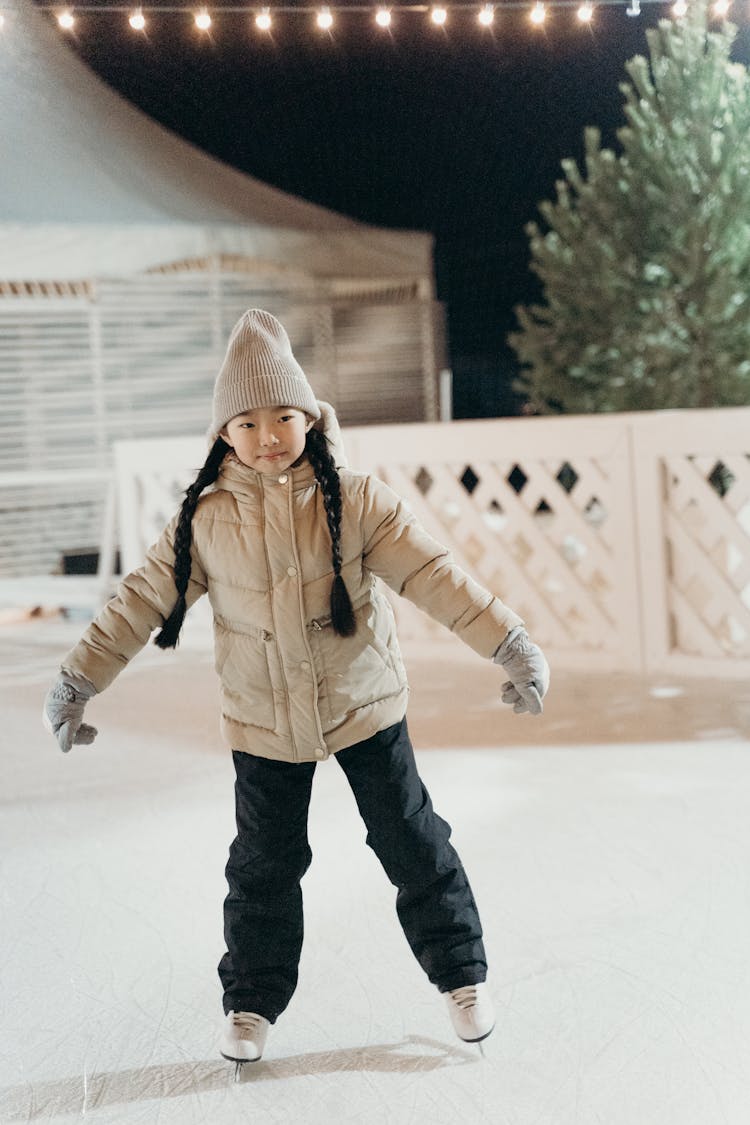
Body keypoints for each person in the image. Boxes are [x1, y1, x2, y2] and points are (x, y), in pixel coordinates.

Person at [43, 309, 550, 1065]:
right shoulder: (205, 522)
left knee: (411, 840)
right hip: (263, 721)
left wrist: (509, 642)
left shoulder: (358, 498)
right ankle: (251, 1001)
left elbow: (434, 574)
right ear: (225, 434)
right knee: (263, 865)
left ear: (309, 417)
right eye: (247, 421)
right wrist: (78, 678)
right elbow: (139, 601)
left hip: (364, 706)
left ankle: (462, 976)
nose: (268, 433)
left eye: (284, 414)